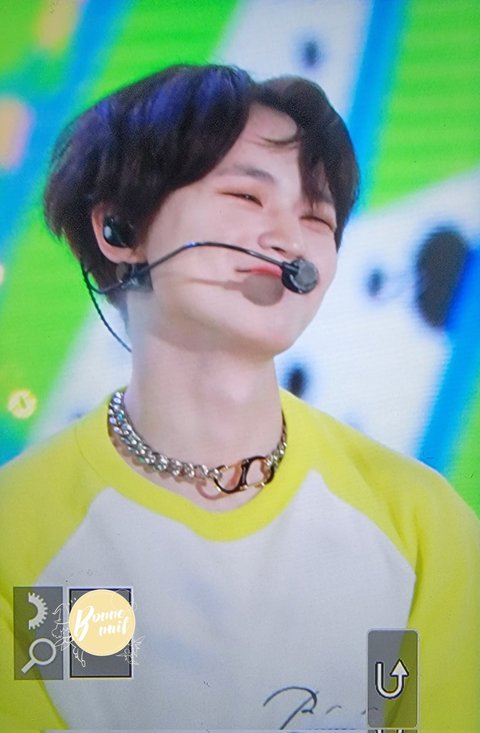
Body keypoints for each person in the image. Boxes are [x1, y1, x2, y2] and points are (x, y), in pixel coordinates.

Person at [0, 63, 478, 732]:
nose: (290, 239)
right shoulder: (23, 530)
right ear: (118, 228)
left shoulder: (419, 523)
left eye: (316, 215)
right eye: (247, 197)